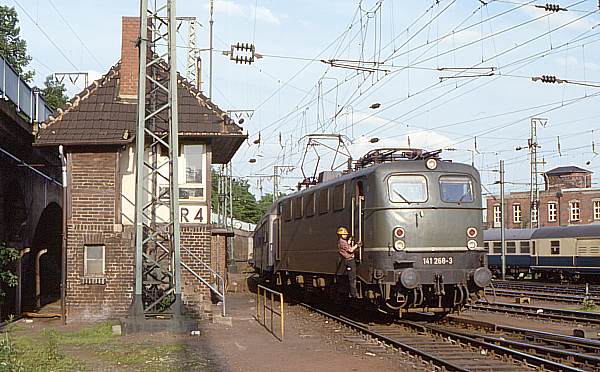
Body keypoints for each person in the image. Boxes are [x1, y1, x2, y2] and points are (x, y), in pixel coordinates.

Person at [337, 226, 359, 298]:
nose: (346, 235)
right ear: (341, 235)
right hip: (349, 261)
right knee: (352, 278)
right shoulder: (342, 242)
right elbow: (350, 250)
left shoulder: (341, 241)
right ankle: (353, 294)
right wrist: (357, 245)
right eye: (345, 234)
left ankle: (352, 293)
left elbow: (347, 245)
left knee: (351, 278)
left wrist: (350, 240)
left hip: (347, 260)